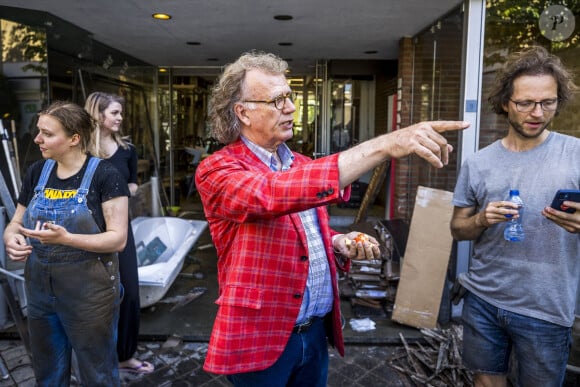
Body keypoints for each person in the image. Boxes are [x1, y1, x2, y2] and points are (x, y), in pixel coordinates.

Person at [194, 50, 469, 386]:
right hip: (261, 338)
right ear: (243, 112)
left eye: (290, 96)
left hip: (314, 332)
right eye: (277, 100)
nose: (291, 108)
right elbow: (271, 194)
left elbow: (302, 229)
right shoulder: (219, 169)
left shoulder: (300, 163)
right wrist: (387, 144)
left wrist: (338, 242)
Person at [450, 46, 580, 387]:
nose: (537, 112)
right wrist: (480, 220)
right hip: (484, 299)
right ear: (506, 102)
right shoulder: (478, 163)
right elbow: (457, 229)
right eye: (525, 103)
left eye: (548, 102)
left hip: (547, 307)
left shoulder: (576, 154)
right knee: (486, 383)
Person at [3, 101, 129, 386]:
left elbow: (118, 239)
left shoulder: (106, 176)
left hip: (89, 296)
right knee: (48, 374)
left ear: (74, 139)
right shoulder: (38, 172)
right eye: (39, 132)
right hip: (39, 291)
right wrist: (12, 237)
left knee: (97, 375)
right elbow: (15, 223)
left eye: (47, 134)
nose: (37, 139)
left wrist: (67, 239)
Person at [84, 92, 154, 375]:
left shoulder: (127, 149)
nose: (120, 118)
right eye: (114, 113)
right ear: (98, 115)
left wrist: (127, 191)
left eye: (120, 113)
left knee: (131, 294)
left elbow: (132, 185)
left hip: (120, 230)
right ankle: (97, 356)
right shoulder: (81, 152)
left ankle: (125, 355)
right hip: (87, 232)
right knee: (93, 297)